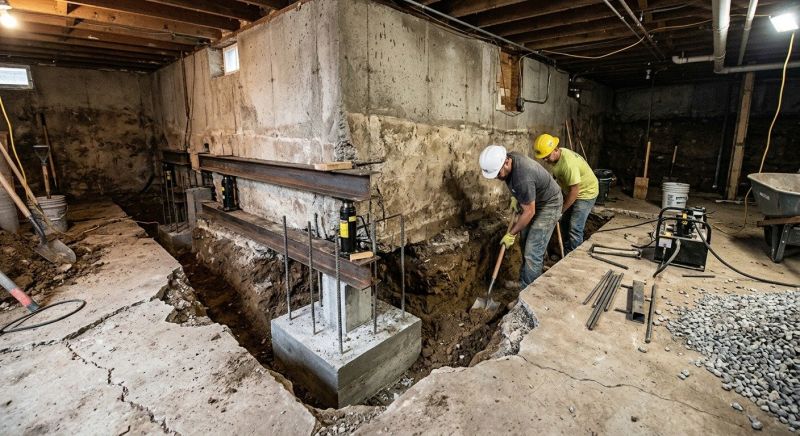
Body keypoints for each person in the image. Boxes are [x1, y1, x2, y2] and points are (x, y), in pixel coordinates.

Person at [479, 144, 563, 288]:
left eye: (498, 174)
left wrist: (511, 234)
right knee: (525, 240)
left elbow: (529, 212)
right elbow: (523, 189)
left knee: (532, 249)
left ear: (506, 162)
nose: (497, 178)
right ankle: (530, 276)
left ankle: (527, 293)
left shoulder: (522, 177)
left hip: (550, 203)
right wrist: (516, 197)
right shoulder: (510, 158)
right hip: (536, 199)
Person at [533, 133, 599, 254]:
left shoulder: (568, 164)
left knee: (575, 226)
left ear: (556, 150)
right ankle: (565, 248)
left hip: (586, 193)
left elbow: (575, 192)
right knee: (564, 222)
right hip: (572, 190)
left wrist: (561, 210)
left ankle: (574, 256)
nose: (545, 160)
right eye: (543, 158)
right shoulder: (557, 157)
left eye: (546, 157)